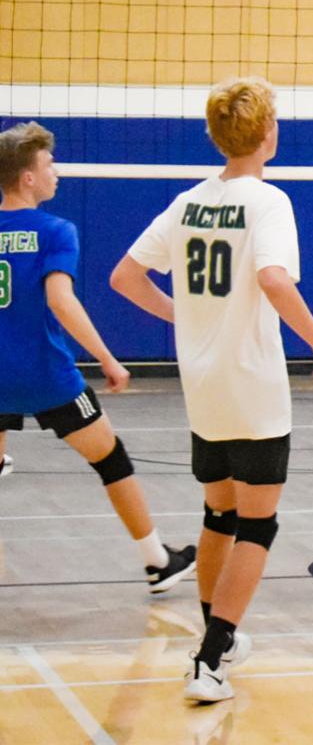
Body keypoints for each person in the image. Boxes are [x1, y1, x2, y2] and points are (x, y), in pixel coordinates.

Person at [110, 78, 313, 703]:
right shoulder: (268, 201)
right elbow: (274, 278)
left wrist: (182, 315)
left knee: (219, 513)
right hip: (252, 383)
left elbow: (124, 276)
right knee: (258, 524)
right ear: (266, 133)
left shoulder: (188, 202)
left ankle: (218, 637)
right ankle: (210, 659)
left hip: (203, 384)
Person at [0, 121, 197, 593]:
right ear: (28, 177)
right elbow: (60, 299)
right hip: (46, 377)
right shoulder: (55, 231)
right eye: (50, 165)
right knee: (111, 460)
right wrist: (107, 357)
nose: (57, 173)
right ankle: (157, 562)